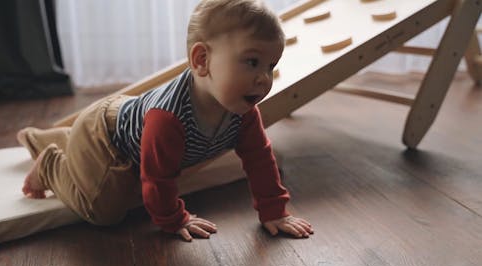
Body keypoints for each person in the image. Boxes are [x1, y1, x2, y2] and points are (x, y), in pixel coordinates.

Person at [17, 0, 314, 242]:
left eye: (271, 66)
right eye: (252, 62)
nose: (264, 78)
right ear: (201, 60)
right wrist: (174, 219)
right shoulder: (169, 118)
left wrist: (275, 211)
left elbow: (260, 159)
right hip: (105, 136)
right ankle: (51, 164)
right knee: (104, 210)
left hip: (125, 118)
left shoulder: (243, 113)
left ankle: (47, 139)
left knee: (117, 173)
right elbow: (158, 179)